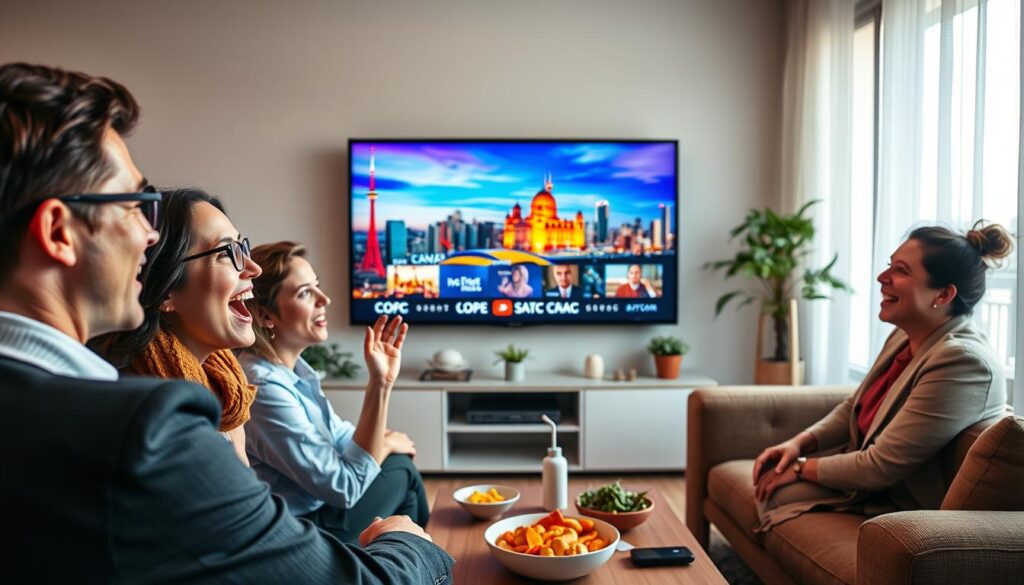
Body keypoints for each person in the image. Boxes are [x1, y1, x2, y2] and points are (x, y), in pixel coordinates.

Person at [0, 62, 452, 583]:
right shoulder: (144, 431)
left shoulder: (171, 403)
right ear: (59, 231)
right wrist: (409, 542)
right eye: (133, 205)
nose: (149, 239)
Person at [751, 223, 1013, 531]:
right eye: (889, 265)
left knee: (776, 493)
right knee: (770, 487)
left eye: (900, 270)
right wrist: (799, 444)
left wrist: (799, 469)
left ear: (943, 294)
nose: (881, 278)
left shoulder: (962, 362)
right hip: (876, 482)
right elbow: (854, 406)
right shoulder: (905, 336)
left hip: (907, 508)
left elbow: (879, 466)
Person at [238, 241, 429, 544]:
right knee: (401, 470)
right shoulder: (263, 387)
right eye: (305, 293)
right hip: (300, 530)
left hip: (321, 507)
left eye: (317, 287)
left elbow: (341, 438)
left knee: (397, 468)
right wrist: (382, 403)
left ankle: (402, 562)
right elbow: (344, 486)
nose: (324, 299)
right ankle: (409, 559)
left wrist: (384, 438)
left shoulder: (294, 371)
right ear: (265, 316)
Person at [91, 188, 261, 465]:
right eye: (227, 252)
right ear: (166, 288)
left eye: (242, 248)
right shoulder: (141, 413)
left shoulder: (225, 393)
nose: (254, 267)